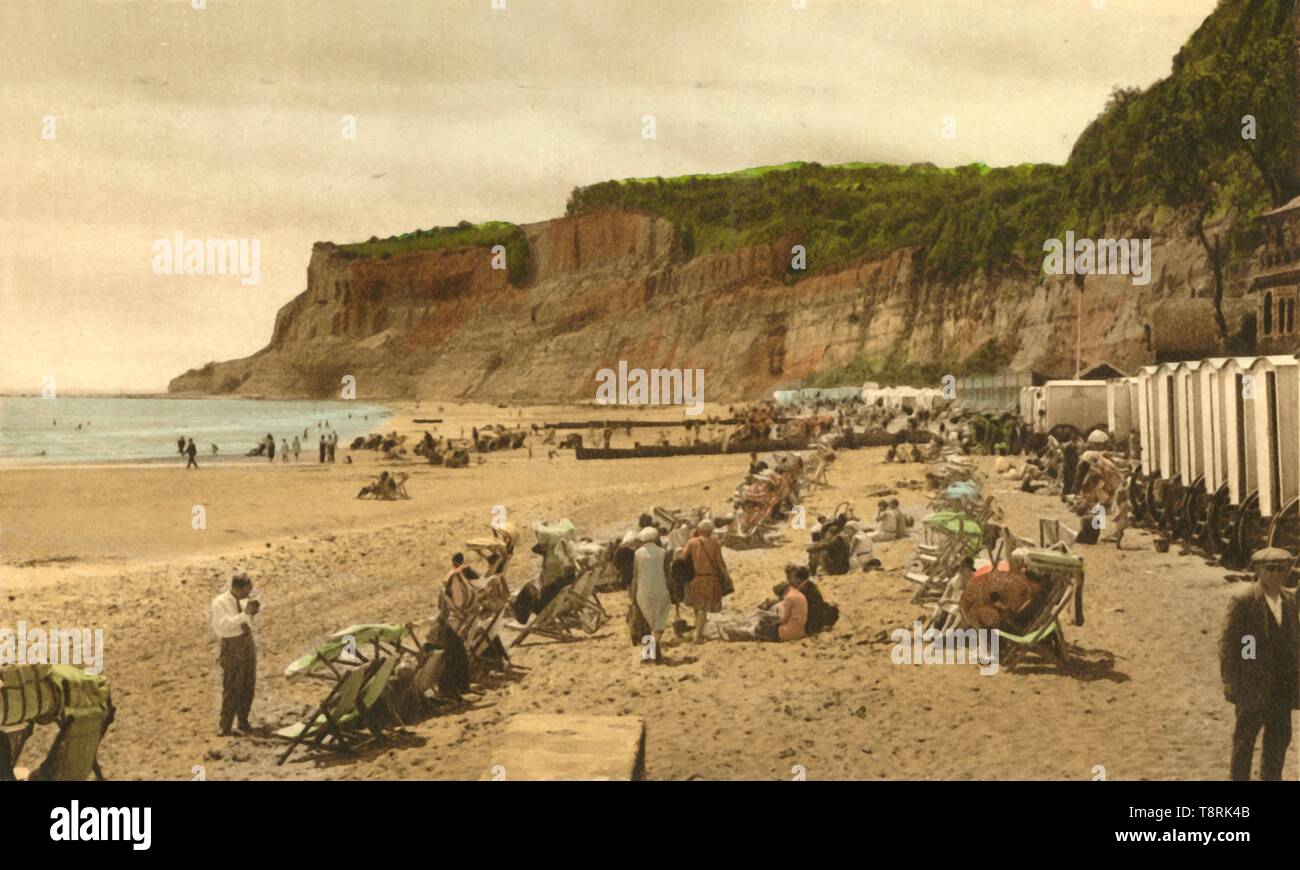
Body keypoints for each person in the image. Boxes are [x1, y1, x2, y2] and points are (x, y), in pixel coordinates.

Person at [1220, 547, 1299, 781]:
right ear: (1259, 570)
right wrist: (1233, 682)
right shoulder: (1245, 602)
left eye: (1281, 569)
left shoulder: (1290, 600)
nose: (1276, 574)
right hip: (1254, 685)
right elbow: (1232, 646)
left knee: (1279, 738)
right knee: (1245, 741)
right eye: (1270, 569)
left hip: (1282, 686)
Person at [210, 572, 260, 736]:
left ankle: (243, 721)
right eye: (246, 590)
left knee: (248, 683)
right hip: (232, 645)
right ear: (237, 589)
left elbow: (246, 621)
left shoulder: (244, 601)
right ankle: (225, 725)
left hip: (246, 642)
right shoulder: (220, 603)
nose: (248, 594)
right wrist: (245, 615)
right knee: (231, 684)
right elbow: (223, 626)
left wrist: (250, 615)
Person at [679, 519, 730, 644]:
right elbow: (720, 563)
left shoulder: (692, 543)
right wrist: (726, 576)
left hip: (696, 578)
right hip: (710, 578)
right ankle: (697, 635)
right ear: (711, 531)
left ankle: (698, 631)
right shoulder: (714, 544)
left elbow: (682, 559)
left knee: (698, 606)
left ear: (699, 529)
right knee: (703, 608)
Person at [633, 526, 671, 663]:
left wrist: (632, 594)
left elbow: (635, 576)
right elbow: (667, 573)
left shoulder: (637, 553)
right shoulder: (663, 552)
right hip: (660, 588)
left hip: (643, 590)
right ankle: (656, 645)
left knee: (647, 623)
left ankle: (647, 653)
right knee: (660, 620)